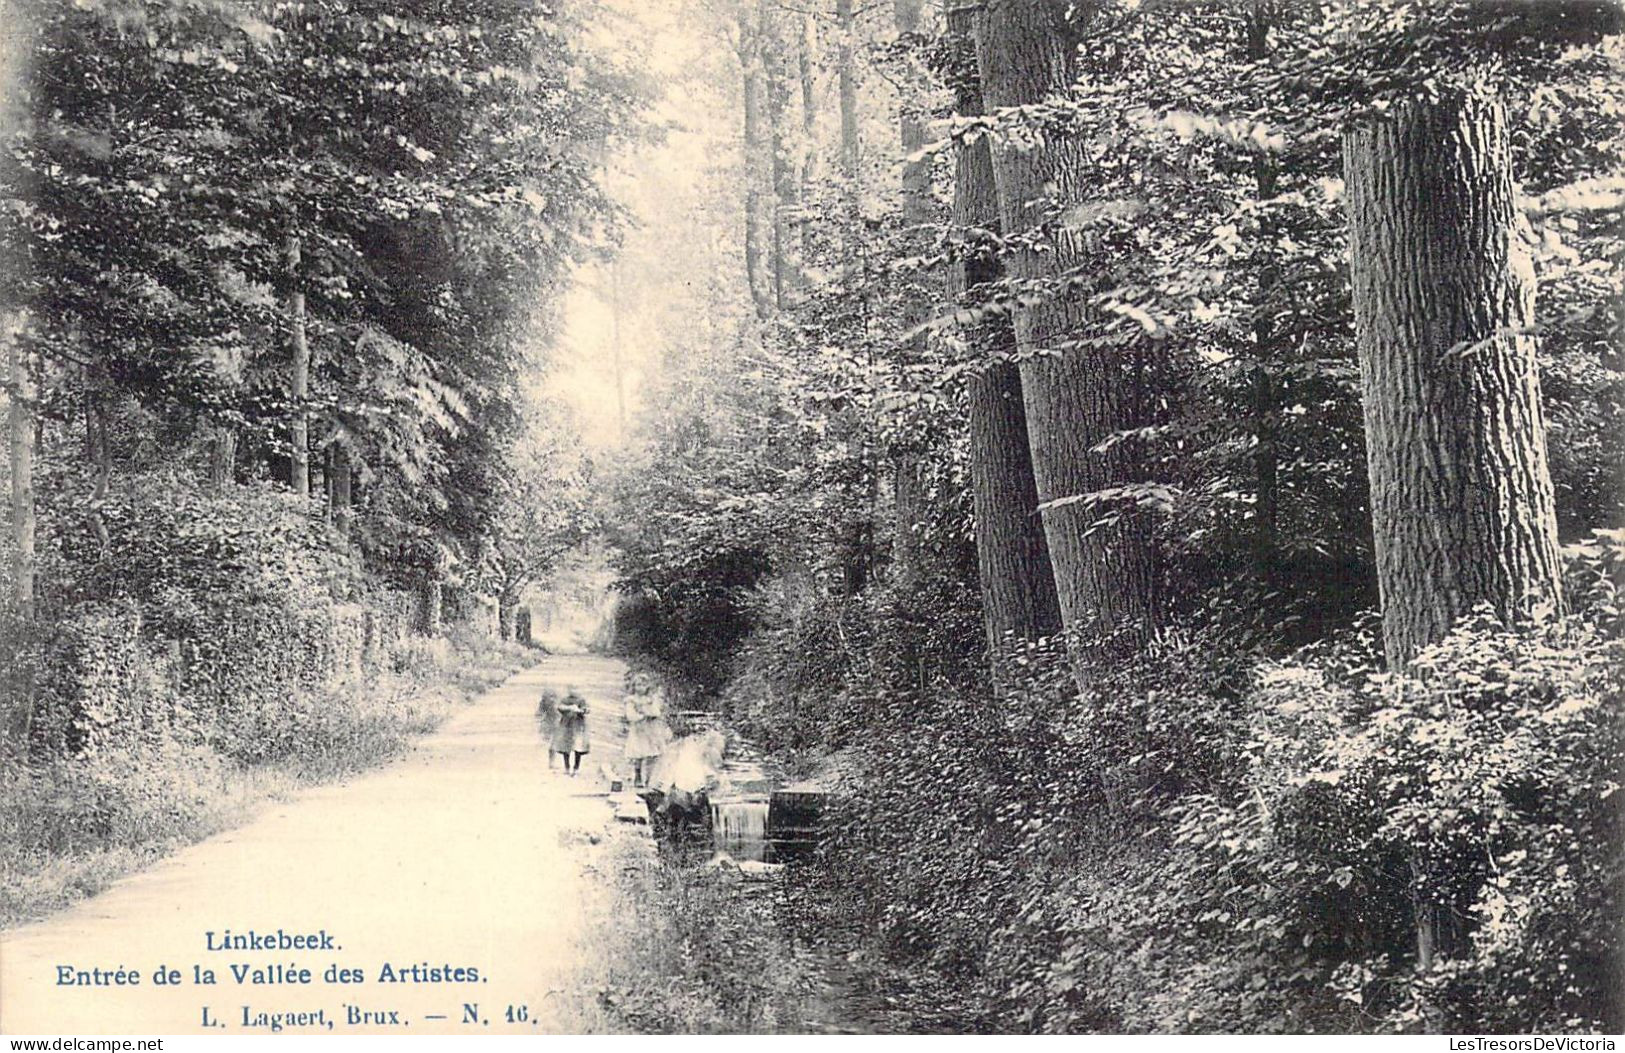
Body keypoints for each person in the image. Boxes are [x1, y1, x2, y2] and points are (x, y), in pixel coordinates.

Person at [623, 672, 673, 788]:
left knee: (652, 754)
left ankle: (649, 778)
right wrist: (641, 716)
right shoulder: (631, 700)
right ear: (634, 686)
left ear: (647, 687)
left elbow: (656, 712)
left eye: (643, 685)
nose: (640, 688)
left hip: (651, 731)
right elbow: (630, 716)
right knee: (638, 754)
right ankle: (638, 775)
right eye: (638, 685)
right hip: (638, 730)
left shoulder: (650, 699)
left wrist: (648, 712)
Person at [551, 686, 590, 775]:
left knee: (578, 747)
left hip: (578, 726)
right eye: (571, 689)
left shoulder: (581, 700)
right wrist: (569, 708)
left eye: (576, 689)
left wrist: (581, 710)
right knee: (566, 747)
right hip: (566, 726)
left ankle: (576, 767)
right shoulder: (565, 700)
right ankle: (567, 767)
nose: (573, 691)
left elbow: (587, 709)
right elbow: (559, 707)